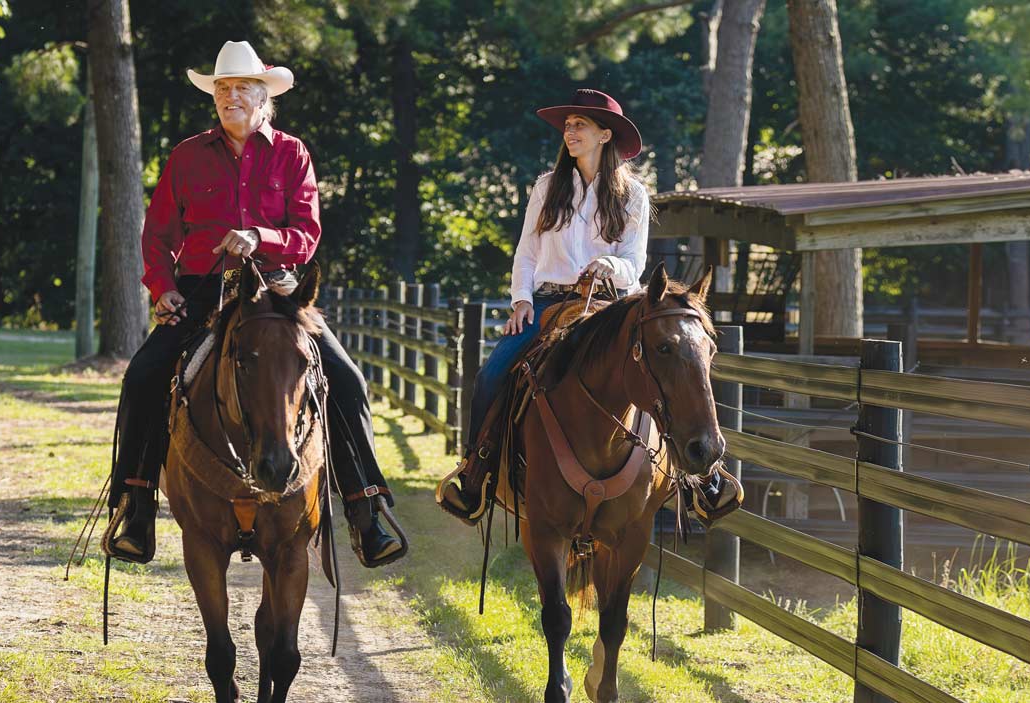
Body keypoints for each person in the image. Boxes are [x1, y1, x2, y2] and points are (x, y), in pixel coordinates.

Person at [102, 41, 407, 569]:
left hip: (278, 293)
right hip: (203, 293)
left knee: (348, 379)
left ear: (264, 98)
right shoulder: (187, 155)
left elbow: (306, 233)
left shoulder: (292, 153)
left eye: (242, 88)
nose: (231, 97)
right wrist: (163, 287)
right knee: (143, 375)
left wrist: (259, 236)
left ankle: (365, 508)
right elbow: (158, 236)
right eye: (222, 89)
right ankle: (135, 507)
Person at [436, 89, 739, 524]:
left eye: (580, 124)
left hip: (609, 304)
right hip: (546, 303)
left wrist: (607, 263)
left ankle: (700, 480)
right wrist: (521, 299)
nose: (570, 131)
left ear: (604, 134)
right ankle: (474, 474)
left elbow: (634, 263)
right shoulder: (546, 187)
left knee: (670, 365)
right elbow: (525, 251)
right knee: (491, 374)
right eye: (568, 125)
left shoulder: (633, 193)